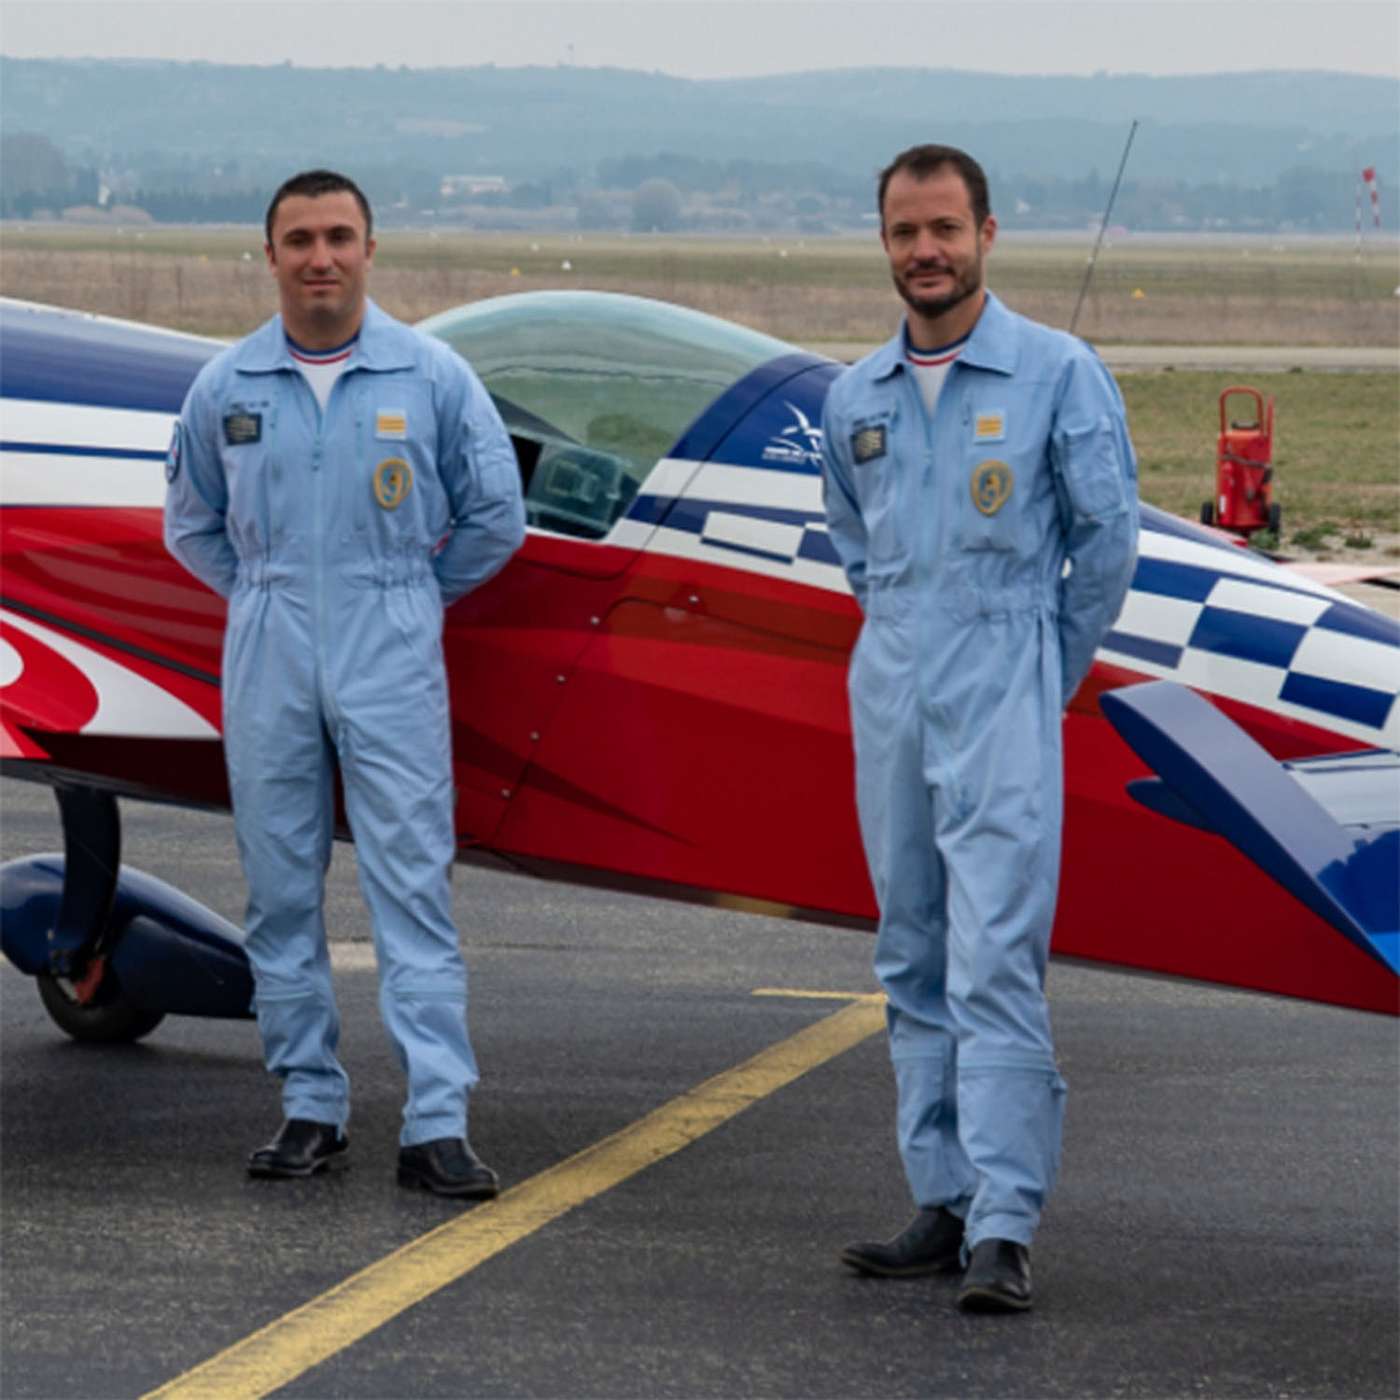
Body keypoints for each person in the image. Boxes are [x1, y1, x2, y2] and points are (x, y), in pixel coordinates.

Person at [164, 169, 525, 1198]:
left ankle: (437, 1121)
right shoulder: (227, 386)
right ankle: (309, 1104)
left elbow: (494, 516)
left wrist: (408, 594)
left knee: (409, 883)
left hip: (391, 632)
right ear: (269, 254)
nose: (319, 256)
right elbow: (188, 521)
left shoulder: (432, 375)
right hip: (269, 636)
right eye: (298, 239)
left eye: (338, 236)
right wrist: (264, 595)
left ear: (370, 248)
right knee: (278, 887)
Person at [820, 145, 1138, 1311]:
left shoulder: (1056, 373)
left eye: (944, 228)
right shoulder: (852, 396)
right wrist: (909, 643)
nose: (925, 251)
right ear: (885, 243)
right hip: (893, 670)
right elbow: (859, 546)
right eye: (904, 231)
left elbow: (1101, 549)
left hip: (1006, 668)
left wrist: (1034, 676)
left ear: (987, 233)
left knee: (995, 950)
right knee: (909, 944)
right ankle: (939, 1196)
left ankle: (1005, 1218)